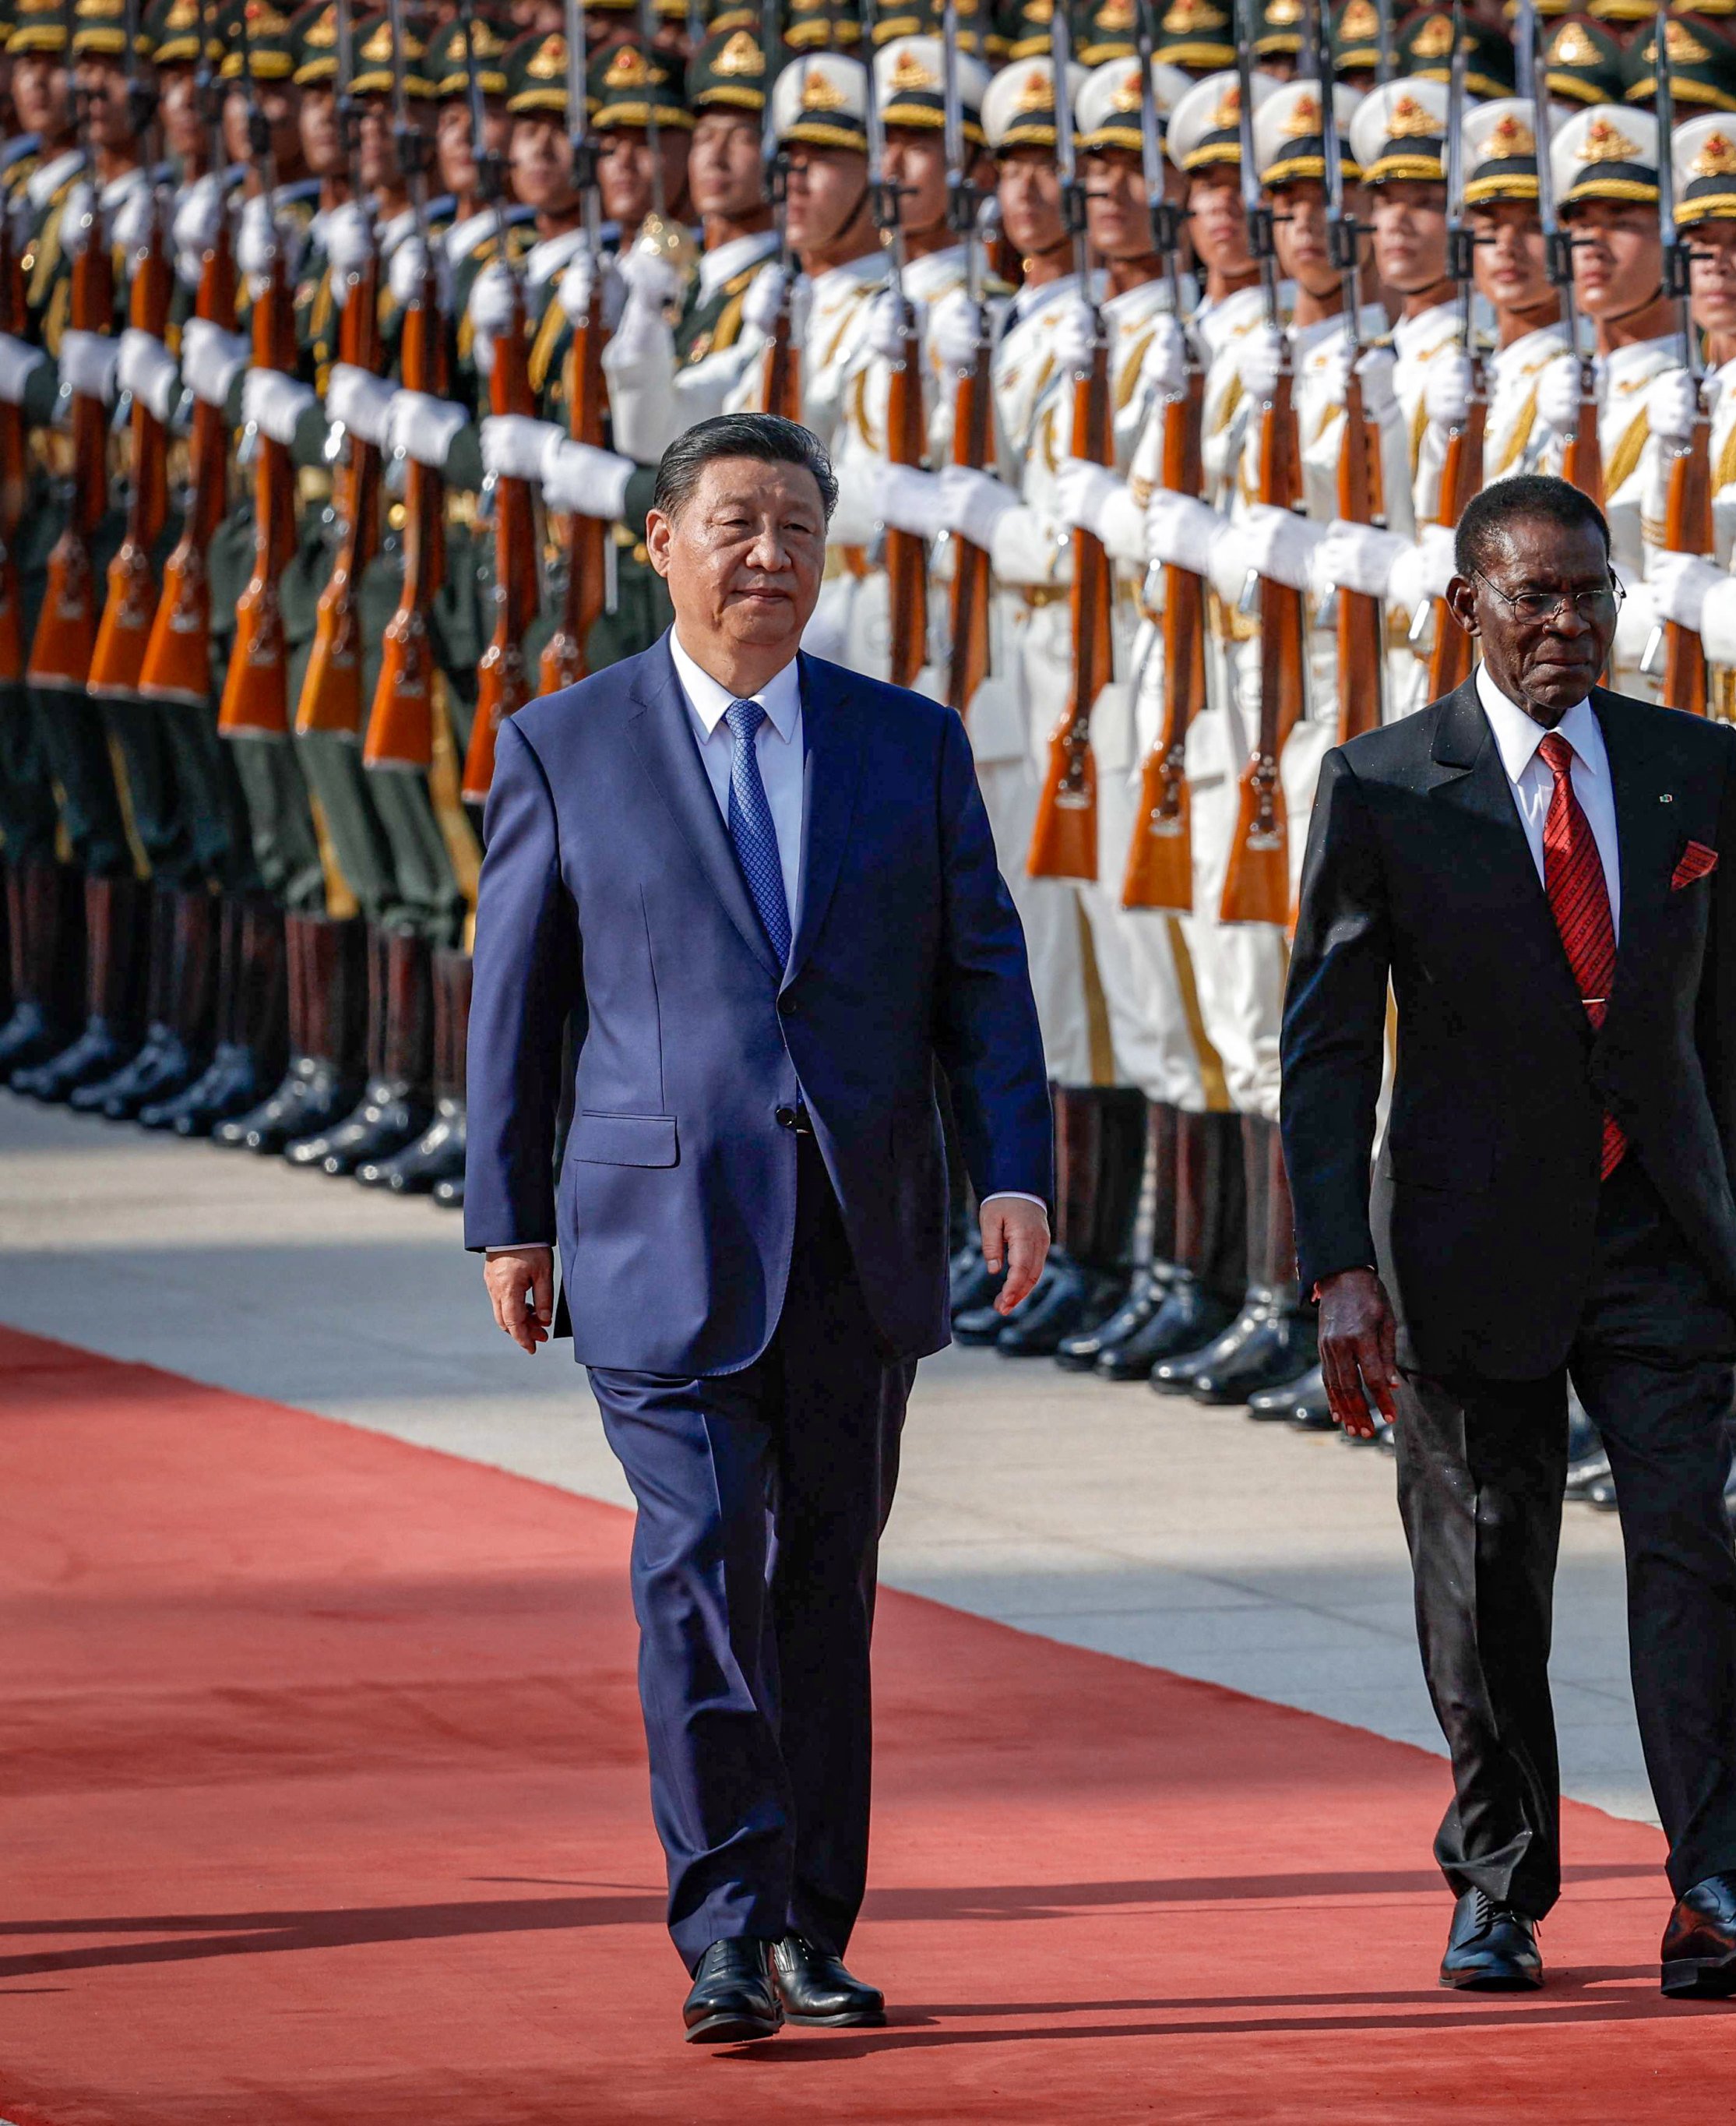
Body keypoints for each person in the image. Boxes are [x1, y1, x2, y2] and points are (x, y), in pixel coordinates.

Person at [461, 412, 1054, 2043]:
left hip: (858, 1237)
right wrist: (509, 1218)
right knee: (704, 1564)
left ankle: (811, 1927)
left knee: (824, 1592)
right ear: (658, 544)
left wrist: (1013, 1171)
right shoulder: (562, 744)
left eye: (796, 526)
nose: (767, 556)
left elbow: (980, 980)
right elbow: (518, 1003)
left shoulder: (904, 744)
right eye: (733, 524)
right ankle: (723, 1930)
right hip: (658, 1233)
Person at [1279, 472, 1736, 2001]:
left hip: (1649, 1231)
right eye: (1534, 597)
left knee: (1682, 1540)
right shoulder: (1388, 785)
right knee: (1487, 1568)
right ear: (1463, 606)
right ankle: (1498, 1884)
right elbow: (1326, 1049)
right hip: (1465, 1243)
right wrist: (1339, 1267)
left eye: (1592, 595)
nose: (1568, 625)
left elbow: (1710, 1025)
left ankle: (1720, 1883)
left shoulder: (1686, 768)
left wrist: (1721, 1224)